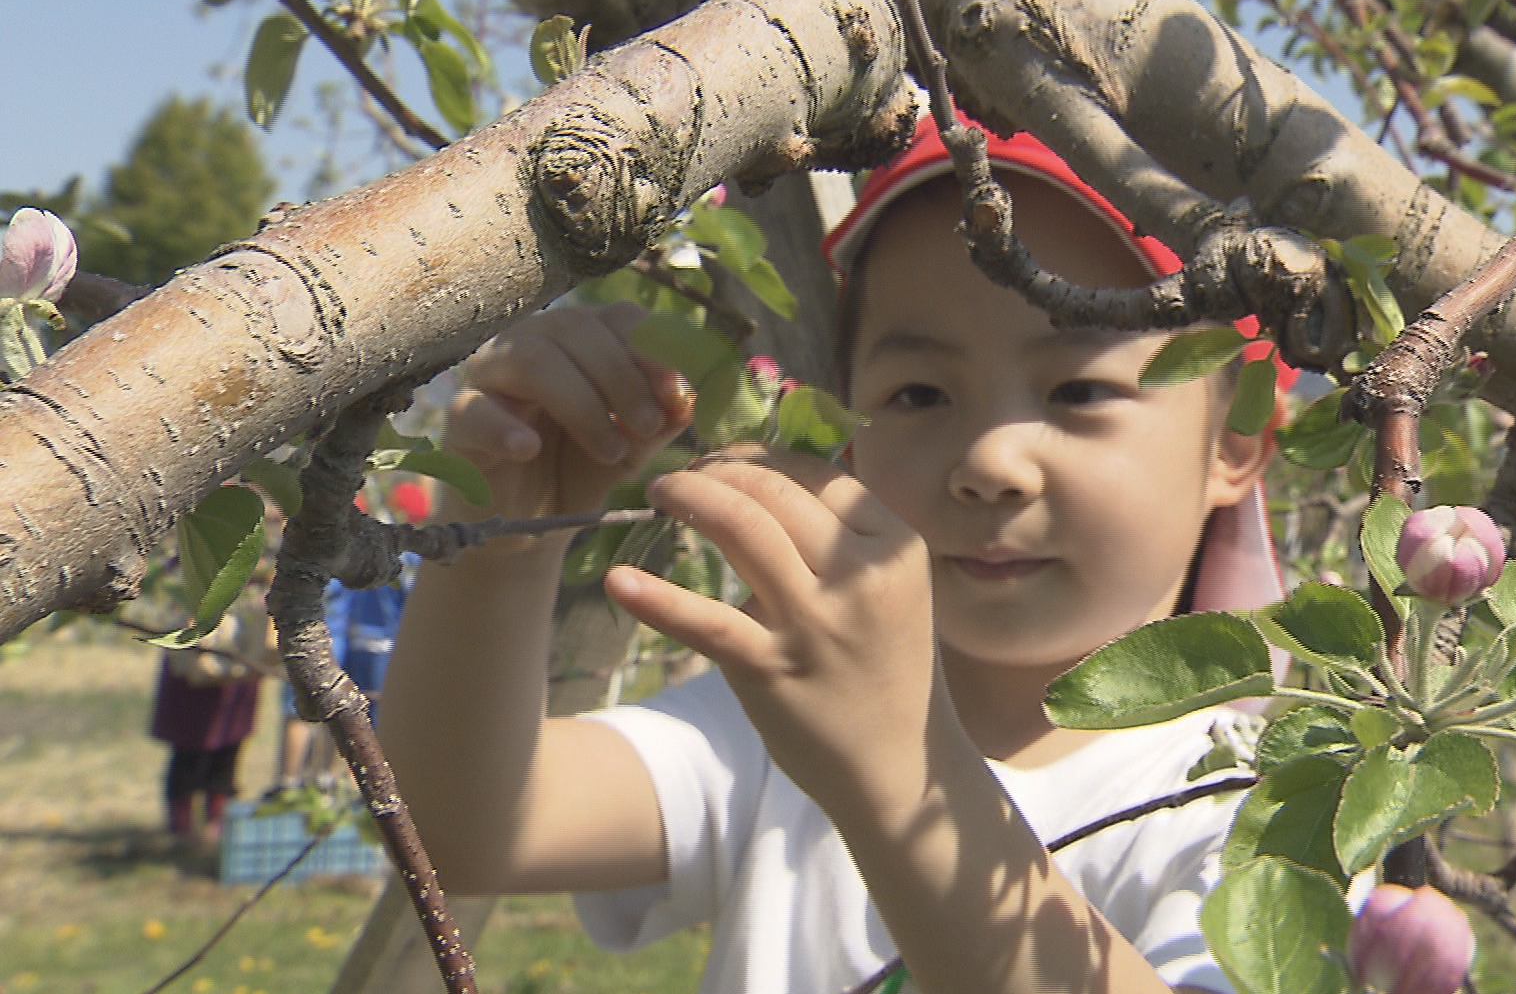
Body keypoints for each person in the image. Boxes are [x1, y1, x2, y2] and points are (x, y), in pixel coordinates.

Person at [380, 117, 1290, 993]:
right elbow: (467, 831)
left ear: (1236, 440)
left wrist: (900, 775)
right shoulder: (782, 720)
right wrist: (493, 544)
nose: (988, 464)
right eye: (920, 393)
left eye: (1081, 389)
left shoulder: (1260, 799)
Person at [270, 482, 427, 795]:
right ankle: (337, 782)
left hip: (325, 637)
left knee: (300, 710)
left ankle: (289, 782)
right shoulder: (403, 556)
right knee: (350, 712)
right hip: (373, 643)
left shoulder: (316, 547)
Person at [150, 612, 268, 851]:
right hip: (195, 659)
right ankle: (181, 827)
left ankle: (217, 821)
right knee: (188, 749)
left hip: (237, 652)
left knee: (228, 747)